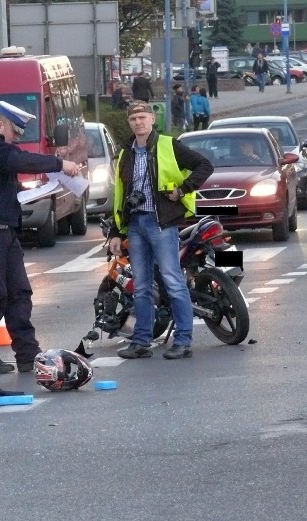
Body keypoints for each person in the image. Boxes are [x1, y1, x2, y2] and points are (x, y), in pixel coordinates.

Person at [0, 101, 79, 374]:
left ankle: (28, 353)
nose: (17, 139)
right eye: (15, 132)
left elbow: (8, 171)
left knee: (19, 293)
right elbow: (17, 160)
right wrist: (58, 163)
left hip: (4, 231)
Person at [106, 101, 213, 359]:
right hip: (135, 224)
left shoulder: (167, 145)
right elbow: (120, 195)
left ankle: (183, 340)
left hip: (161, 222)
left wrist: (183, 189)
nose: (138, 123)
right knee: (141, 286)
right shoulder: (125, 153)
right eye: (133, 119)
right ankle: (141, 341)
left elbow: (204, 166)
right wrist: (116, 233)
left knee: (172, 281)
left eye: (142, 117)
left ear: (152, 119)